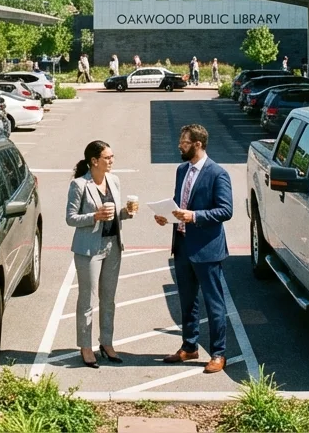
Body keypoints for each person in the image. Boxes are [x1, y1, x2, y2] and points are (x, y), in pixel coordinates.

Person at [153, 124, 233, 374]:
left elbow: (225, 210)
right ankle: (189, 347)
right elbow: (180, 203)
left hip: (207, 249)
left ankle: (218, 353)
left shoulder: (218, 173)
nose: (180, 145)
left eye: (184, 142)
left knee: (214, 304)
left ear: (198, 144)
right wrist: (168, 216)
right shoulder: (181, 170)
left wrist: (193, 216)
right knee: (187, 302)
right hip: (183, 245)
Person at [66, 140, 137, 367]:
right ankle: (86, 347)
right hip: (88, 249)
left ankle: (106, 343)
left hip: (112, 246)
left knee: (109, 299)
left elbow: (115, 214)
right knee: (87, 299)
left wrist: (126, 212)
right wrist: (94, 216)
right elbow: (70, 218)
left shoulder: (114, 181)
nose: (111, 161)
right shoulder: (79, 185)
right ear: (94, 161)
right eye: (107, 158)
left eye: (112, 156)